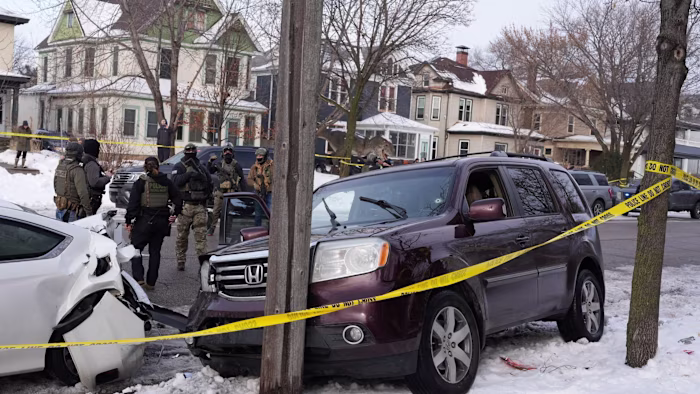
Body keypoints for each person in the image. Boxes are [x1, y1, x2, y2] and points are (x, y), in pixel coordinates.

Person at [125, 157, 182, 290]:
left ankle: (139, 278)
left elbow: (133, 204)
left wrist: (128, 220)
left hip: (144, 221)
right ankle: (151, 282)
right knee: (155, 252)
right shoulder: (167, 182)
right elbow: (178, 199)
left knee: (136, 249)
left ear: (145, 167)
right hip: (162, 222)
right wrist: (174, 214)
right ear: (159, 167)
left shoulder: (141, 182)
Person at [172, 143, 212, 271]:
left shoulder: (201, 167)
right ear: (184, 152)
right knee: (182, 237)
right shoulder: (179, 166)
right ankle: (181, 261)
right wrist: (188, 175)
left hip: (199, 206)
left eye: (192, 150)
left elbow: (209, 184)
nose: (190, 152)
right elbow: (175, 182)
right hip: (185, 206)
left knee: (201, 237)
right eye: (188, 150)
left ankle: (203, 263)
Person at [207, 143, 245, 235]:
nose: (227, 153)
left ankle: (227, 231)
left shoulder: (236, 165)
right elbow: (209, 171)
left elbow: (242, 179)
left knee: (230, 214)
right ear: (222, 153)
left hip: (231, 193)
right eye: (225, 151)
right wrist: (210, 162)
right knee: (215, 212)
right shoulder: (219, 164)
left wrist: (243, 193)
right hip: (220, 192)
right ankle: (211, 229)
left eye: (229, 151)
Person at [54, 142, 92, 222]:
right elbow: (82, 192)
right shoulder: (77, 170)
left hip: (60, 207)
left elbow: (55, 184)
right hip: (71, 212)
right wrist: (88, 212)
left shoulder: (60, 166)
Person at [82, 139, 111, 214]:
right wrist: (107, 177)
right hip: (91, 198)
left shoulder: (84, 160)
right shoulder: (92, 164)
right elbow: (94, 182)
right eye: (98, 149)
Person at [248, 147, 273, 226]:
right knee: (258, 214)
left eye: (261, 155)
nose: (259, 157)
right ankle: (257, 230)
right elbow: (249, 180)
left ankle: (271, 230)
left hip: (270, 192)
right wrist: (255, 185)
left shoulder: (272, 166)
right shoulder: (254, 167)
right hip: (258, 192)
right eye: (257, 155)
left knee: (270, 213)